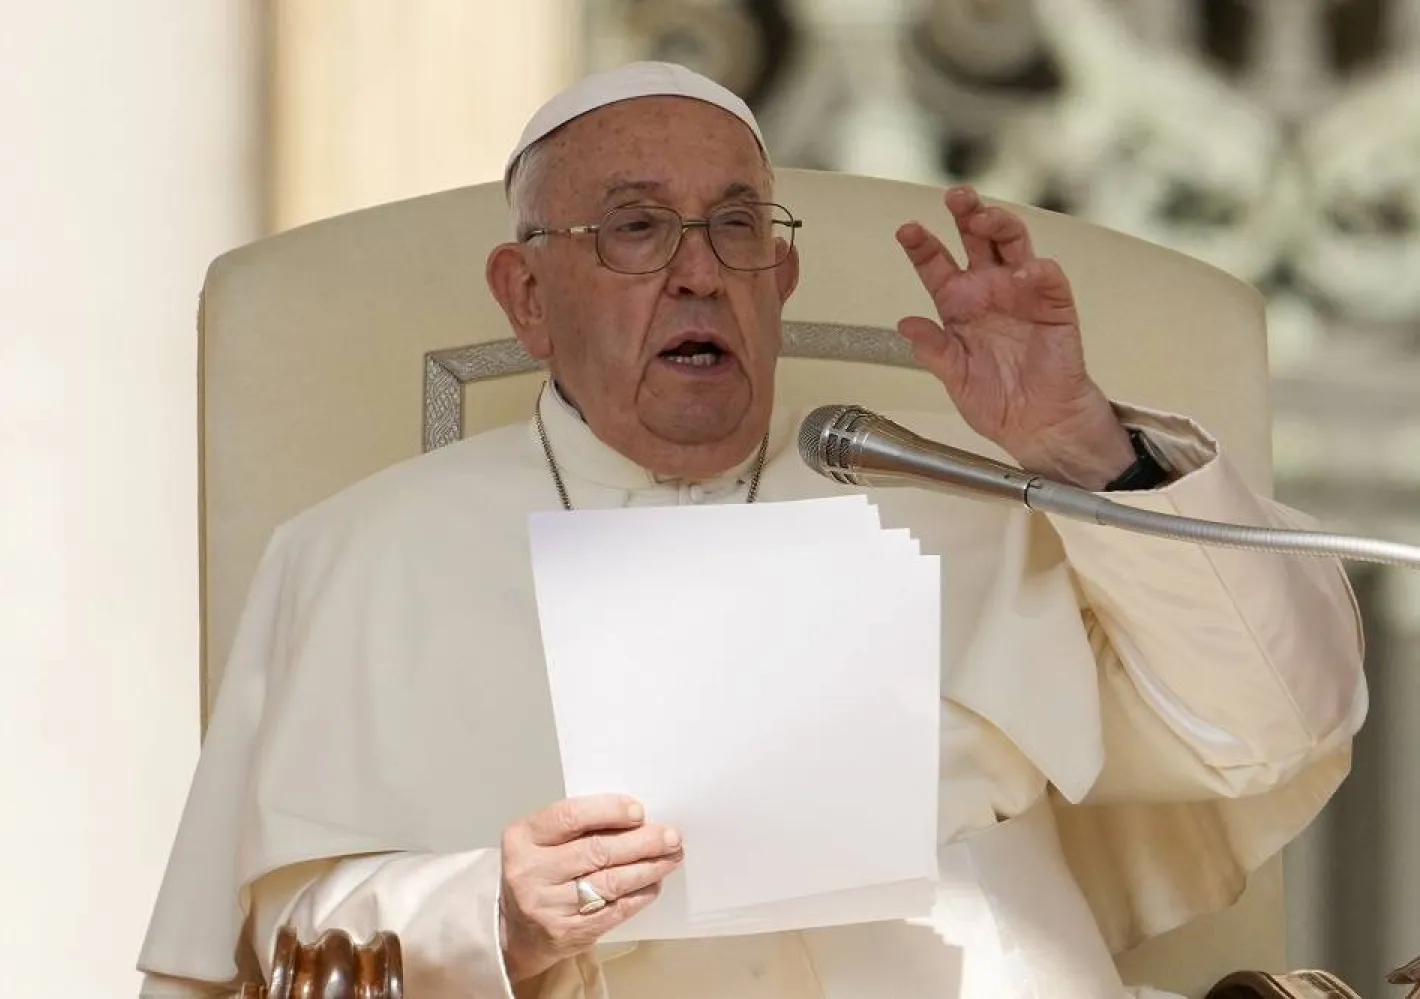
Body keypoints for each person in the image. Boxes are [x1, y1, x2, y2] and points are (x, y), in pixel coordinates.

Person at [137, 62, 1366, 999]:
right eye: (633, 227)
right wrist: (492, 912)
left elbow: (1273, 721)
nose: (698, 271)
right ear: (526, 299)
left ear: (778, 281)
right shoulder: (365, 556)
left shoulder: (964, 503)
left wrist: (1075, 440)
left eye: (736, 227)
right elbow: (283, 934)